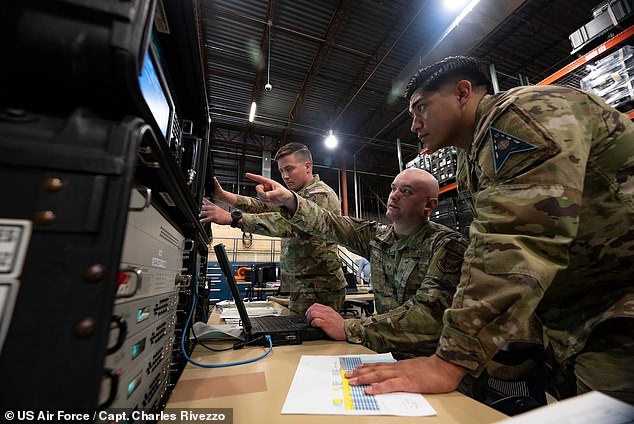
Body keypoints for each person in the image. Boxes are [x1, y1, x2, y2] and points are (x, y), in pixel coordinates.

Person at [339, 55, 634, 404]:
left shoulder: (516, 117)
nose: (415, 125)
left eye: (422, 108)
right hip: (582, 322)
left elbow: (511, 241)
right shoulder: (471, 158)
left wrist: (450, 360)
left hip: (617, 312)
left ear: (463, 93)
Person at [245, 168, 476, 364]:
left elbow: (427, 315)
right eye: (393, 188)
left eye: (405, 192)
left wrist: (350, 327)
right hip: (386, 355)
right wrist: (290, 200)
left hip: (434, 363)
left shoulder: (447, 245)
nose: (394, 196)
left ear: (429, 205)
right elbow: (333, 224)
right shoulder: (379, 237)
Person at [200, 142, 346, 315]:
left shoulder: (320, 195)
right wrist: (224, 196)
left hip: (321, 288)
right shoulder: (297, 196)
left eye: (289, 169)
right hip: (304, 285)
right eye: (282, 171)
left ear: (308, 167)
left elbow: (287, 224)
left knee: (317, 341)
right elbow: (264, 207)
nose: (284, 176)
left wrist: (233, 218)